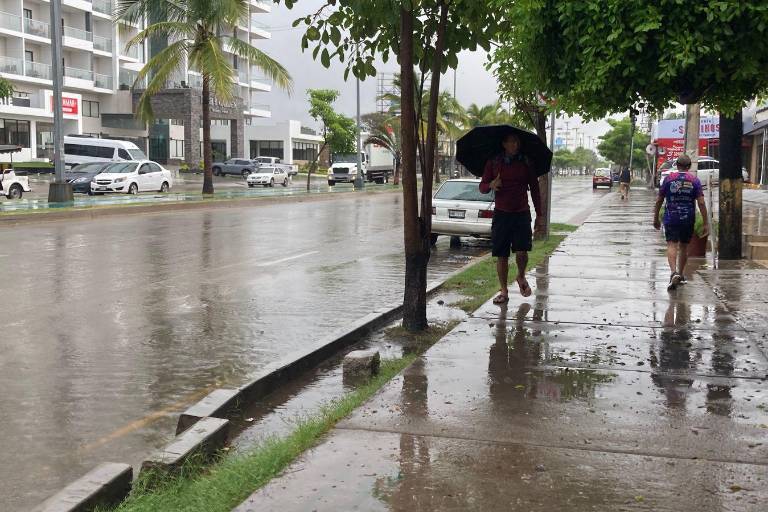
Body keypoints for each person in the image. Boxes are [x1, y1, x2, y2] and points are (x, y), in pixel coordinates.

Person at [479, 133, 543, 303]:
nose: (515, 145)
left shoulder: (526, 162)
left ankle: (520, 276)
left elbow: (535, 189)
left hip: (521, 213)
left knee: (522, 251)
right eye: (511, 141)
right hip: (501, 214)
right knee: (502, 254)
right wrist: (491, 184)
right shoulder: (494, 162)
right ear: (504, 143)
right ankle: (504, 290)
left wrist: (539, 215)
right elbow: (482, 187)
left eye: (517, 142)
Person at [653, 154, 709, 291]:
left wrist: (655, 218)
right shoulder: (694, 181)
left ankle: (673, 272)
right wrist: (705, 222)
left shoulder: (668, 179)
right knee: (684, 246)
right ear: (689, 166)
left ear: (677, 165)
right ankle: (681, 274)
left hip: (671, 217)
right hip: (688, 218)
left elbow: (659, 200)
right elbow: (701, 203)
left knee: (672, 244)